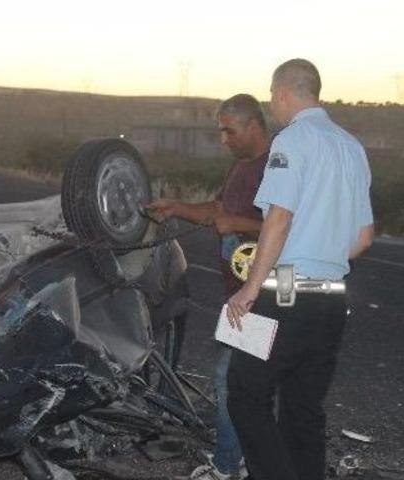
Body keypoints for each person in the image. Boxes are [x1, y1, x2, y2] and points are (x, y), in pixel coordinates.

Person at [225, 59, 375, 480]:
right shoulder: (351, 147)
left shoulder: (292, 140)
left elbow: (279, 217)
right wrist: (323, 248)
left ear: (283, 93)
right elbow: (362, 238)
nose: (274, 106)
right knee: (302, 409)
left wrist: (250, 288)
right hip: (331, 297)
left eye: (273, 98)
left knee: (244, 393)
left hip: (283, 291)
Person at [148, 93, 270, 480]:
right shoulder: (241, 167)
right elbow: (218, 211)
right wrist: (176, 208)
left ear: (253, 126)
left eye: (229, 131)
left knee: (228, 378)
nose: (224, 139)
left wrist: (237, 224)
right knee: (246, 382)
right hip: (238, 295)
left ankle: (227, 466)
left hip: (263, 295)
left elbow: (291, 230)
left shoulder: (276, 168)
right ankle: (253, 457)